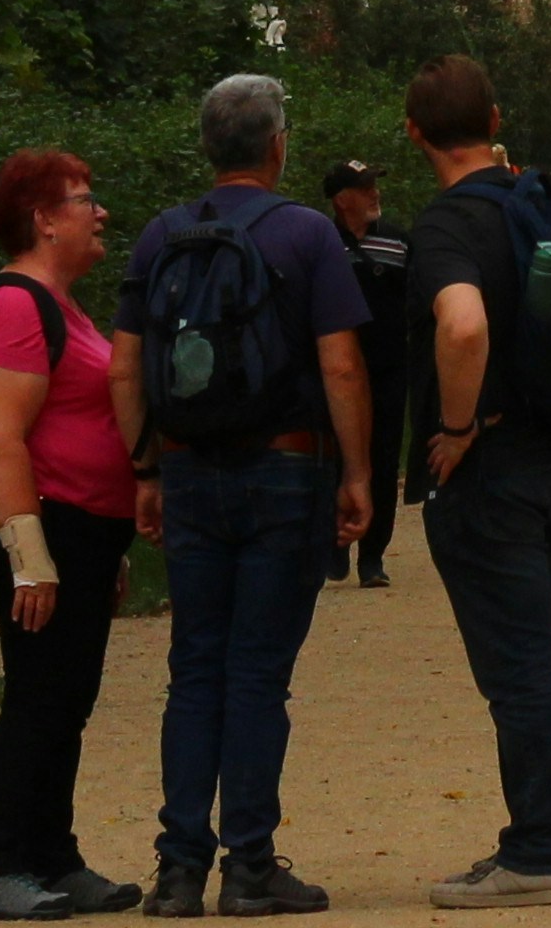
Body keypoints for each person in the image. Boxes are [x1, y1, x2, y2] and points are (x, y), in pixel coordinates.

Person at [134, 78, 377, 916]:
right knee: (258, 673)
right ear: (278, 146)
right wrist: (357, 473)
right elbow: (342, 366)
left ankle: (177, 870)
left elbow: (126, 366)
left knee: (194, 666)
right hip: (284, 467)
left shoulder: (162, 234)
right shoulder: (307, 233)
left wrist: (146, 471)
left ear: (208, 147)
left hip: (188, 469)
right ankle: (249, 864)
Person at [405, 53, 551, 907]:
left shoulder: (448, 225)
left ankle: (539, 851)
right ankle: (535, 839)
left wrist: (457, 426)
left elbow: (464, 325)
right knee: (531, 657)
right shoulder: (535, 202)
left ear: (415, 133)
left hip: (493, 470)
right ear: (495, 120)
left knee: (517, 670)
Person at [0, 150, 145, 920]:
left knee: (67, 700)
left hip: (81, 533)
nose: (100, 213)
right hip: (40, 528)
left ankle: (51, 858)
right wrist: (30, 561)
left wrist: (108, 546)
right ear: (43, 220)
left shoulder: (63, 306)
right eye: (84, 200)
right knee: (39, 698)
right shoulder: (13, 305)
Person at [323, 159, 419, 593]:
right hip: (333, 374)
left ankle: (373, 556)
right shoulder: (321, 242)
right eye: (365, 188)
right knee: (333, 458)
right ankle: (335, 543)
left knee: (382, 460)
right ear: (342, 199)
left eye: (375, 186)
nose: (375, 194)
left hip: (388, 373)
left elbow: (417, 301)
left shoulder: (398, 241)